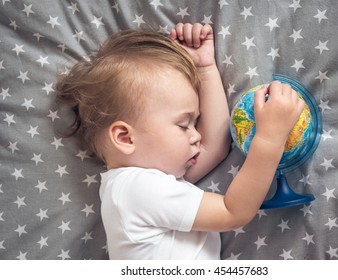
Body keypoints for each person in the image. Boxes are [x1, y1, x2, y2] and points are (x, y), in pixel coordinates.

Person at [55, 23, 304, 259]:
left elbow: (216, 145)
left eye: (195, 123)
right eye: (184, 125)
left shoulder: (150, 181)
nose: (197, 135)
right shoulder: (136, 189)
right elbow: (232, 211)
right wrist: (271, 137)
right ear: (125, 137)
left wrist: (204, 68)